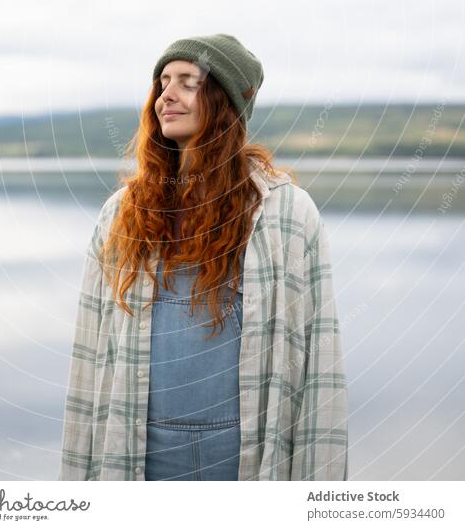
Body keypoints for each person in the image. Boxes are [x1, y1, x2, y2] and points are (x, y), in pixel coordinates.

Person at [58, 33, 348, 481]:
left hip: (242, 458)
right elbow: (90, 356)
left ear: (224, 102)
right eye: (162, 82)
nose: (165, 97)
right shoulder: (122, 213)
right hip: (139, 454)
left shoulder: (285, 212)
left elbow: (318, 359)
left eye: (187, 82)